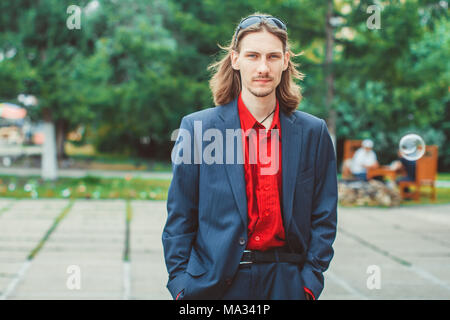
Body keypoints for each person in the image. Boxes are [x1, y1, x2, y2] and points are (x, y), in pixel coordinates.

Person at [162, 13, 337, 300]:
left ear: (285, 61)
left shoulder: (313, 132)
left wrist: (309, 284)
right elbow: (180, 215)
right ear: (235, 59)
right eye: (253, 55)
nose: (263, 67)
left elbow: (324, 215)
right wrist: (181, 285)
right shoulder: (197, 129)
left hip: (288, 282)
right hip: (214, 284)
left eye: (272, 56)